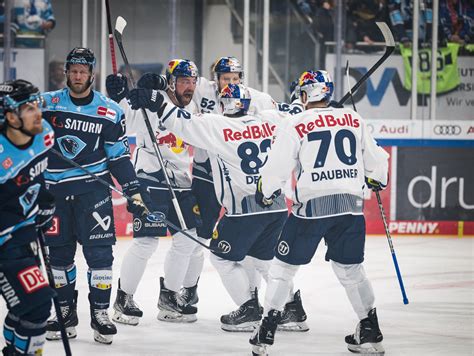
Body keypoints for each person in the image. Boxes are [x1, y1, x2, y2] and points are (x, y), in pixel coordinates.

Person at [128, 83, 298, 333]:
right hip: (276, 206)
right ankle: (292, 308)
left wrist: (158, 101)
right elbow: (297, 112)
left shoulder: (218, 125)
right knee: (265, 262)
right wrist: (329, 109)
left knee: (221, 256)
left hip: (244, 209)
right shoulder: (270, 120)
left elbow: (183, 123)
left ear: (223, 105)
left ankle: (248, 308)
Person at [249, 70, 389, 355]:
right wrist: (377, 179)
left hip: (312, 209)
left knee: (283, 269)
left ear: (305, 95)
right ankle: (370, 329)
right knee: (351, 270)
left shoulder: (296, 123)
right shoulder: (354, 119)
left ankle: (266, 329)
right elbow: (378, 162)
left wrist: (265, 190)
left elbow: (275, 168)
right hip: (351, 207)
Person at [41, 47, 148, 345]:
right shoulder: (46, 104)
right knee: (58, 257)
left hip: (94, 194)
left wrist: (133, 191)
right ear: (66, 72)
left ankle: (100, 314)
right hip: (55, 195)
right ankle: (64, 312)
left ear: (92, 74)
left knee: (100, 257)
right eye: (73, 70)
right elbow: (19, 129)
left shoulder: (109, 110)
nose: (77, 75)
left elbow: (118, 157)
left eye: (83, 71)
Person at [105, 59, 204, 325]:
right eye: (184, 81)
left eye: (193, 82)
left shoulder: (192, 106)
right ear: (171, 82)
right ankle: (124, 298)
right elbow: (122, 117)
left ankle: (169, 297)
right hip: (150, 178)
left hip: (182, 182)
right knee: (147, 241)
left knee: (188, 241)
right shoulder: (150, 101)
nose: (190, 87)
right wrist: (120, 96)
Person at [0, 79, 55, 355]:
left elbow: (39, 174)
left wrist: (44, 202)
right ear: (10, 117)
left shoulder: (44, 133)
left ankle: (13, 347)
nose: (38, 113)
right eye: (29, 108)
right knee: (38, 305)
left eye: (38, 105)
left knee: (27, 308)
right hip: (4, 242)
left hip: (24, 232)